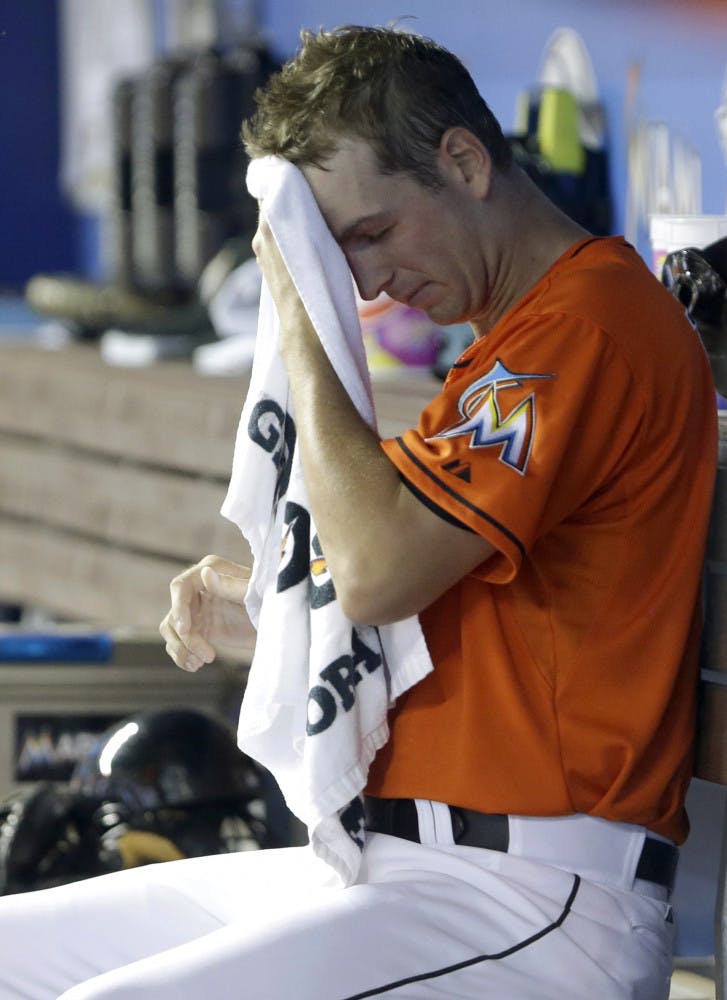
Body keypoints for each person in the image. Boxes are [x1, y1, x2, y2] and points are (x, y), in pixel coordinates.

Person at [0, 24, 717, 1000]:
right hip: (389, 864)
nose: (366, 283)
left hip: (531, 902)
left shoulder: (588, 323)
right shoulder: (508, 337)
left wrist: (295, 311)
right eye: (335, 255)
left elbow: (380, 573)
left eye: (370, 234)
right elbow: (440, 614)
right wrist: (271, 604)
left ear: (462, 161)